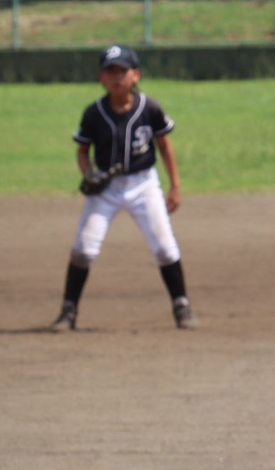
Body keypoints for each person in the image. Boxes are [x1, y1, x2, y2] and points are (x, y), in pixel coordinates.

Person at [52, 45, 192, 332]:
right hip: (105, 188)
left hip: (144, 184)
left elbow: (165, 146)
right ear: (101, 77)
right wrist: (88, 173)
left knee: (165, 248)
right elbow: (82, 150)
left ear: (135, 75)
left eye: (122, 71)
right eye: (110, 71)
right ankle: (68, 311)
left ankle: (182, 305)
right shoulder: (94, 112)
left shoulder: (149, 108)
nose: (117, 78)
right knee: (83, 249)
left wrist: (175, 186)